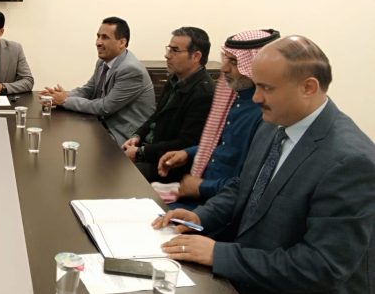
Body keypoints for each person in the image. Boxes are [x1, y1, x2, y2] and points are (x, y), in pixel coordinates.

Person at [155, 35, 375, 294]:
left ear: (308, 87)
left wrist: (220, 255)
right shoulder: (274, 124)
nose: (257, 98)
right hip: (252, 274)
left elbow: (322, 267)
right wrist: (201, 217)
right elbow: (245, 185)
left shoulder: (350, 161)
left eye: (267, 88)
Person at [153, 29, 279, 209]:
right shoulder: (235, 98)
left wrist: (202, 187)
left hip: (220, 204)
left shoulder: (266, 113)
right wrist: (187, 153)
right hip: (202, 193)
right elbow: (225, 144)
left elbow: (249, 183)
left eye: (234, 62)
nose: (224, 68)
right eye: (226, 59)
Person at [41, 17, 155, 145]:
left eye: (105, 37)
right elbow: (88, 90)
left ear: (122, 43)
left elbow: (105, 107)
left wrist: (64, 100)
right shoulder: (102, 62)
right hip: (101, 125)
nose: (98, 42)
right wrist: (61, 96)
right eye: (98, 36)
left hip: (124, 137)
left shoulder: (131, 70)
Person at [122, 26, 214, 182]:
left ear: (196, 56)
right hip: (151, 151)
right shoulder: (175, 79)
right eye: (168, 49)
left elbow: (186, 144)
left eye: (174, 50)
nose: (167, 55)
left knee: (118, 174)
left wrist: (141, 152)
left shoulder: (204, 94)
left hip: (168, 166)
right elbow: (156, 115)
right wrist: (137, 136)